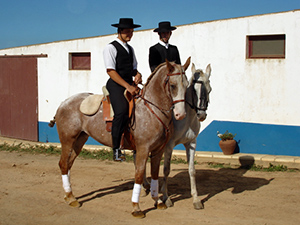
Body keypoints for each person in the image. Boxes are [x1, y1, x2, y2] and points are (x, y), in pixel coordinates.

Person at [103, 18, 142, 161]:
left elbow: (133, 69)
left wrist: (138, 75)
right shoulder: (110, 48)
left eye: (131, 31)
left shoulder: (130, 49)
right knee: (121, 111)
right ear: (119, 31)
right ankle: (116, 150)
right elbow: (111, 71)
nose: (130, 34)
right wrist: (128, 87)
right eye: (127, 31)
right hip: (116, 85)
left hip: (129, 84)